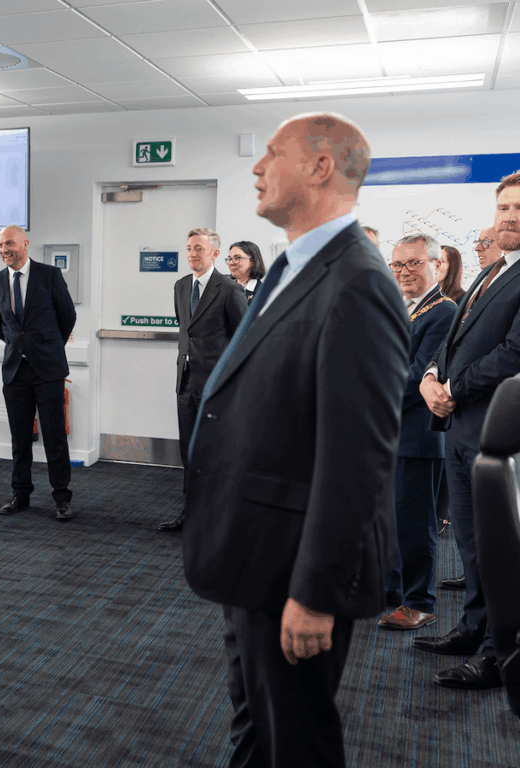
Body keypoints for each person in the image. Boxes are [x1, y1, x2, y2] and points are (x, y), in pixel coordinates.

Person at [182, 112, 409, 767]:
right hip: (255, 554)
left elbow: (358, 460)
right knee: (257, 727)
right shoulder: (296, 266)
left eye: (272, 154)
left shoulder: (359, 281)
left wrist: (314, 593)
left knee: (296, 741)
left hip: (293, 570)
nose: (256, 167)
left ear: (320, 167)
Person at [416, 172, 520, 690]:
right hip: (459, 430)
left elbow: (515, 354)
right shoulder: (492, 271)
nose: (510, 216)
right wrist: (431, 377)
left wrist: (453, 387)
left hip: (500, 435)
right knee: (474, 545)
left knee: (502, 551)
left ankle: (501, 655)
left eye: (519, 208)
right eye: (503, 207)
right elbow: (452, 337)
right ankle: (474, 629)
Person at [378, 234, 456, 631]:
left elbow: (418, 375)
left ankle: (419, 602)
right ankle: (392, 592)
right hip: (390, 432)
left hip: (417, 434)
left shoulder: (444, 311)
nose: (404, 272)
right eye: (397, 264)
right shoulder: (403, 307)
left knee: (414, 524)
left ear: (435, 264)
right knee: (389, 521)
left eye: (413, 263)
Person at [158, 228, 247, 532]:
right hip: (186, 383)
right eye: (188, 248)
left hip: (216, 387)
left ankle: (220, 517)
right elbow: (186, 330)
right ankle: (191, 512)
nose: (192, 254)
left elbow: (242, 341)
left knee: (218, 452)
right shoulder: (181, 286)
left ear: (214, 254)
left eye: (198, 248)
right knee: (190, 452)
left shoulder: (229, 289)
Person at [0, 224, 76, 520]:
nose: (4, 250)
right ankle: (20, 494)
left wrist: (47, 346)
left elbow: (67, 316)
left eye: (9, 244)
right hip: (15, 371)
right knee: (19, 437)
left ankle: (61, 498)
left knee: (54, 437)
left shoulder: (49, 275)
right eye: (0, 245)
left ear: (25, 243)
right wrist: (20, 345)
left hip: (48, 369)